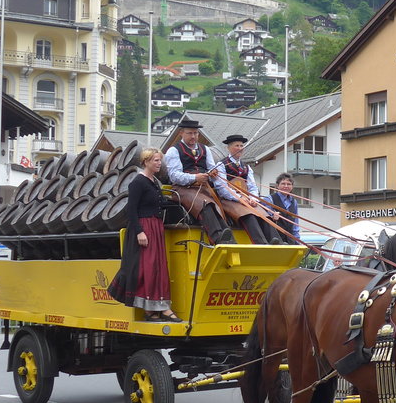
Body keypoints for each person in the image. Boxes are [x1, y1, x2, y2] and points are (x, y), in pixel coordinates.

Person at [107, 147, 182, 323]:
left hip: (155, 226)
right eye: (156, 160)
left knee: (158, 268)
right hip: (144, 227)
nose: (159, 163)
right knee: (148, 268)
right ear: (146, 161)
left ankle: (156, 309)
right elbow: (131, 210)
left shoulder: (153, 181)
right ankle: (154, 309)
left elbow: (159, 204)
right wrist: (140, 231)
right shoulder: (138, 182)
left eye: (159, 160)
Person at [162, 116, 236, 244]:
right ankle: (218, 239)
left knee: (215, 206)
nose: (193, 136)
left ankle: (230, 239)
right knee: (205, 204)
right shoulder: (173, 151)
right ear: (181, 133)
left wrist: (214, 173)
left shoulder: (205, 149)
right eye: (189, 133)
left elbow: (212, 168)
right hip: (182, 189)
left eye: (195, 133)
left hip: (203, 188)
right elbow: (174, 175)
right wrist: (195, 177)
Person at [212, 134, 279, 244]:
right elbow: (222, 188)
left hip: (247, 199)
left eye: (241, 146)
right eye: (236, 145)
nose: (239, 148)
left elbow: (252, 186)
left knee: (263, 214)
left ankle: (277, 242)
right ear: (228, 148)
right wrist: (240, 198)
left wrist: (253, 198)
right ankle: (261, 243)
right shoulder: (221, 165)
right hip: (229, 200)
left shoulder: (247, 167)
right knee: (249, 215)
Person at [268, 172, 301, 244]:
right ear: (277, 186)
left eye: (289, 184)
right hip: (274, 241)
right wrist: (272, 217)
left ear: (292, 187)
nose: (286, 186)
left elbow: (295, 224)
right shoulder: (269, 199)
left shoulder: (294, 202)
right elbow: (264, 218)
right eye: (283, 184)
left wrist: (297, 241)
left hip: (290, 241)